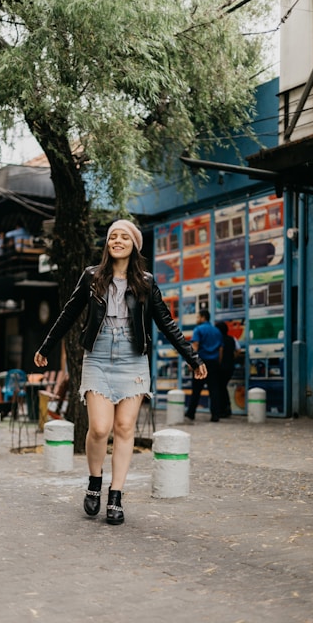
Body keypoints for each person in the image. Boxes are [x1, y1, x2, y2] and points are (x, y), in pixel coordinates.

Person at [34, 219, 207, 525]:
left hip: (133, 358)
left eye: (124, 237)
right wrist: (46, 347)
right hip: (98, 355)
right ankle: (94, 481)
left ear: (134, 245)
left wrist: (192, 358)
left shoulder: (146, 282)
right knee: (100, 428)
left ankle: (116, 496)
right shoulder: (92, 277)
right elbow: (69, 313)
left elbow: (166, 323)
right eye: (113, 236)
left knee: (125, 427)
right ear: (108, 245)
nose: (117, 240)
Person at [185, 309, 223, 423]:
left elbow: (195, 345)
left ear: (203, 317)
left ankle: (191, 413)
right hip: (214, 363)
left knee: (196, 389)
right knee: (214, 390)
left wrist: (192, 362)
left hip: (201, 363)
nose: (197, 319)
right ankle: (215, 415)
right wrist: (218, 362)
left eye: (198, 317)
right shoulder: (217, 331)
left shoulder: (198, 329)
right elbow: (221, 349)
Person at [215, 321, 241, 418]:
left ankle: (224, 409)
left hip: (221, 367)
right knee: (223, 387)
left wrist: (219, 362)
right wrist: (232, 357)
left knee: (220, 388)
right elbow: (238, 350)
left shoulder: (218, 339)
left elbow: (219, 352)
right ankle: (226, 408)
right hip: (230, 367)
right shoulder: (232, 339)